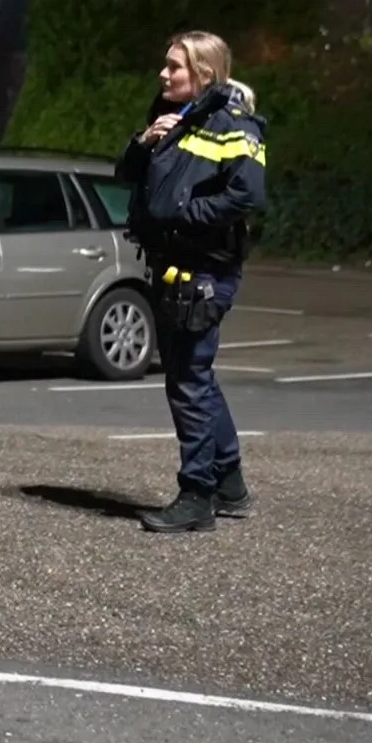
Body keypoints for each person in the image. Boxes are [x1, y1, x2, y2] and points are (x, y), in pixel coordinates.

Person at [117, 31, 267, 533]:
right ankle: (231, 486)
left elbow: (247, 195)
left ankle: (197, 495)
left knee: (188, 382)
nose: (163, 74)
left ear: (203, 73)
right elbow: (128, 173)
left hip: (204, 268)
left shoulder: (233, 122)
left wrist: (180, 214)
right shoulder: (174, 116)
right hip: (174, 264)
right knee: (194, 376)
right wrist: (144, 141)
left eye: (174, 67)